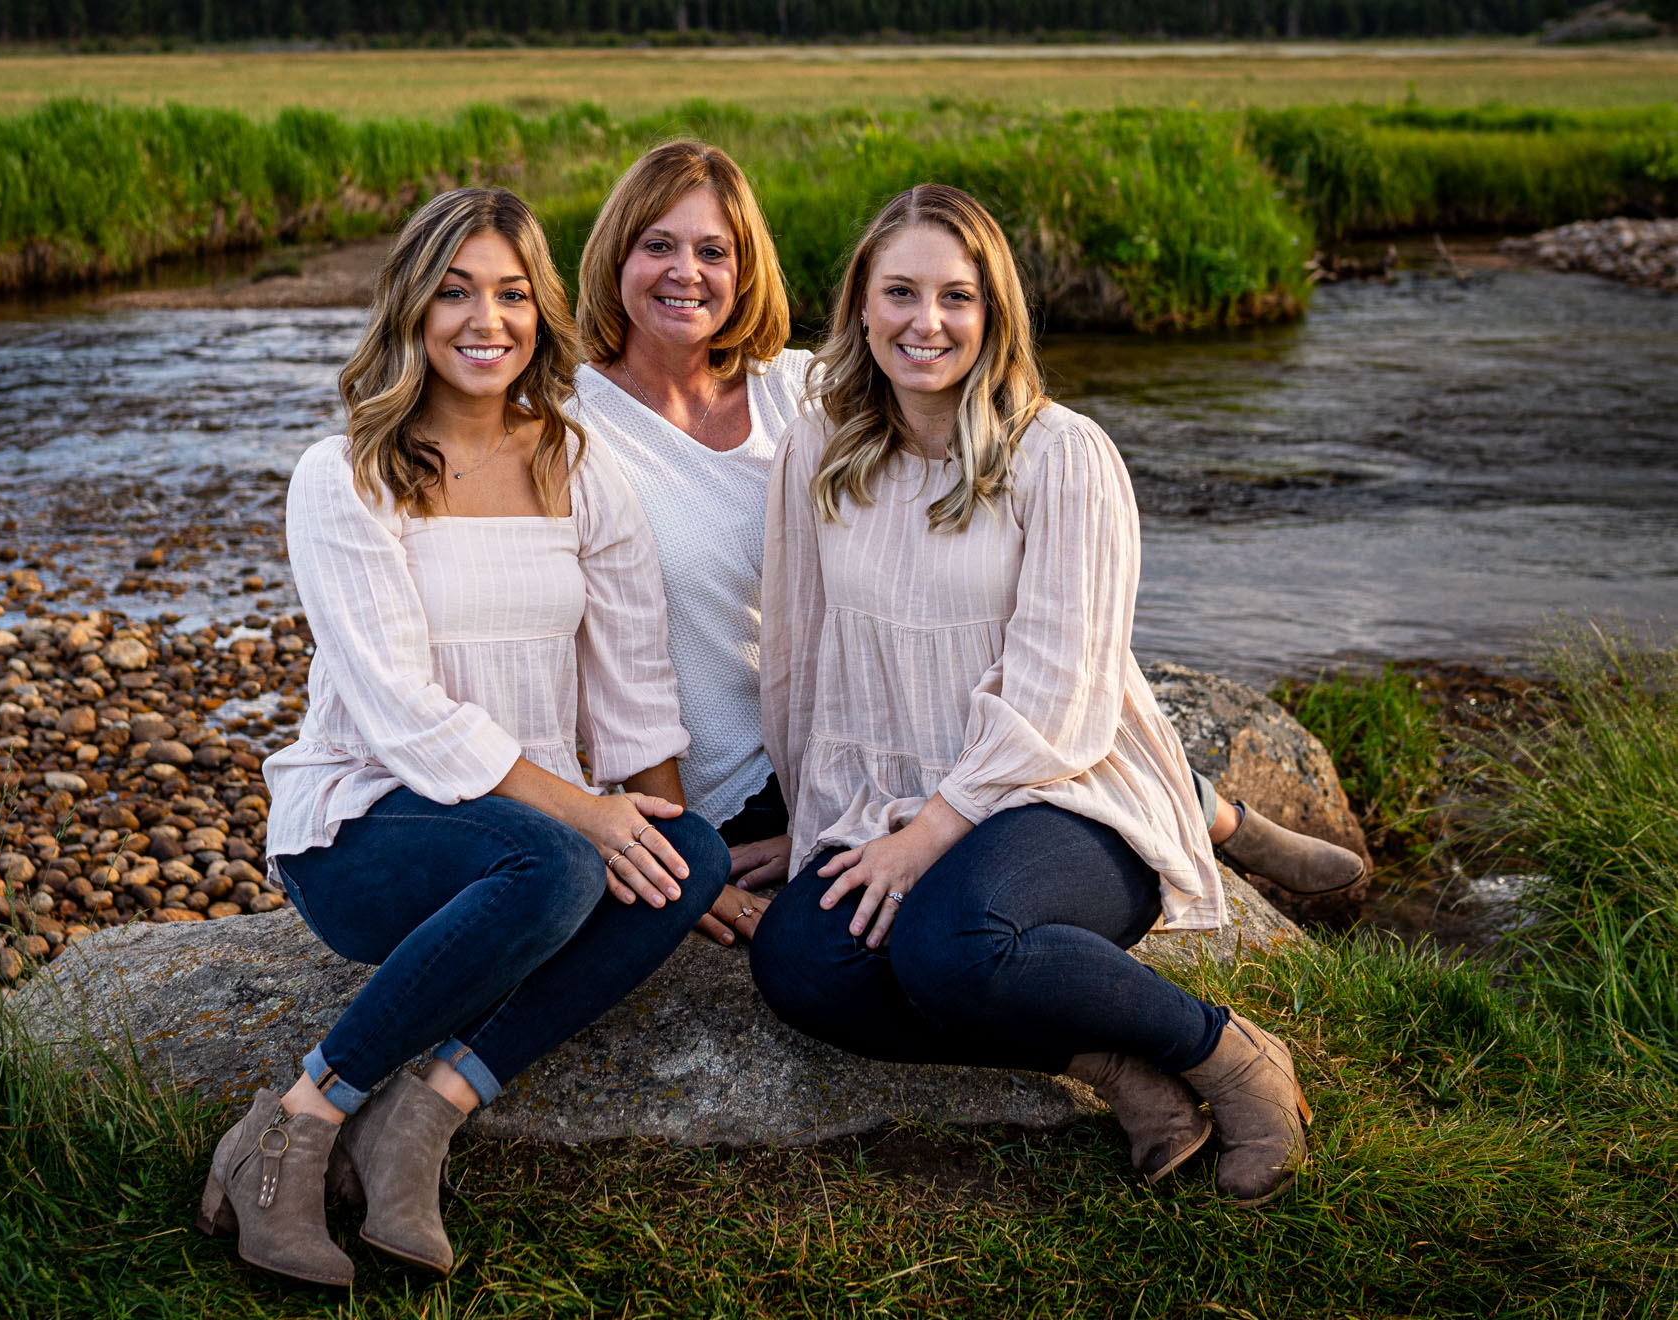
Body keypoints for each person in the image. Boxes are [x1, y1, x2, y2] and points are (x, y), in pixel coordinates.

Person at [571, 143, 1362, 954]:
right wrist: (667, 848)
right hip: (748, 767)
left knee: (1013, 605)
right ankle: (1201, 809)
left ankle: (1201, 806)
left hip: (866, 725)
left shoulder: (803, 390)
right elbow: (585, 650)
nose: (686, 272)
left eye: (714, 251)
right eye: (657, 244)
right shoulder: (569, 428)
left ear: (747, 269)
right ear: (615, 254)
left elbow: (943, 569)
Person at [195, 188, 728, 1282]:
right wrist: (588, 813)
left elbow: (632, 692)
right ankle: (295, 1123)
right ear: (411, 308)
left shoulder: (583, 469)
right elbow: (400, 714)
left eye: (512, 294)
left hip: (531, 844)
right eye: (454, 292)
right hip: (367, 833)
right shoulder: (345, 474)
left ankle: (424, 1115)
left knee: (694, 858)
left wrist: (668, 854)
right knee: (561, 855)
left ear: (541, 316)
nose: (485, 320)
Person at [749, 184, 1312, 1206]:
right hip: (896, 797)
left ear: (993, 311)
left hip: (1067, 796)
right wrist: (814, 830)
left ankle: (1230, 1053)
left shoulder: (1063, 456)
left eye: (956, 297)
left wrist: (926, 838)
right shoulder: (819, 452)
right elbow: (802, 654)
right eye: (901, 293)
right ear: (861, 308)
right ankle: (1112, 1067)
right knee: (801, 964)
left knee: (949, 945)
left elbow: (1060, 695)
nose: (927, 322)